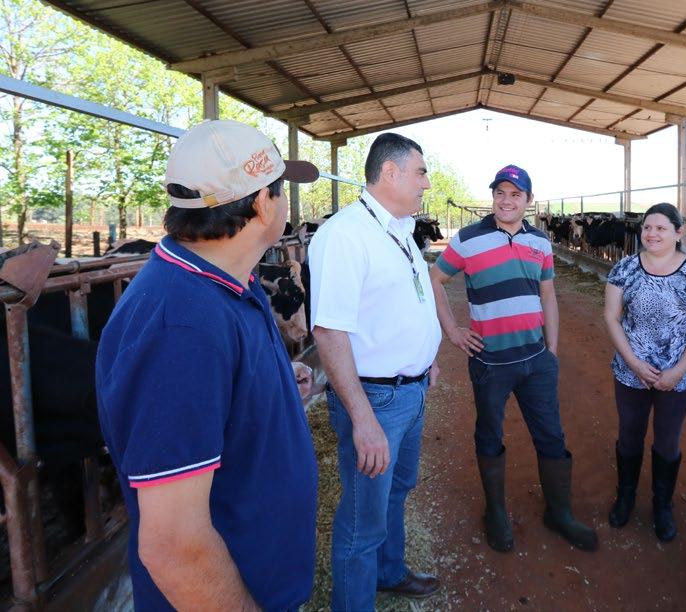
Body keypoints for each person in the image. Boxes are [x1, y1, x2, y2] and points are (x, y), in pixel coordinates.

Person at [95, 119, 320, 610]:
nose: (285, 203)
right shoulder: (180, 326)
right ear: (263, 203)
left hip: (263, 576)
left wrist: (278, 384)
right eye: (281, 190)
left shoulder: (231, 282)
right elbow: (173, 545)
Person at [430, 164, 598, 553]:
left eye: (515, 194)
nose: (506, 200)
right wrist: (452, 331)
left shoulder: (540, 242)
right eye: (500, 193)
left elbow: (549, 294)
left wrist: (551, 351)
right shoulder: (468, 240)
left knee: (552, 435)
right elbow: (435, 279)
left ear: (528, 200)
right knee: (490, 433)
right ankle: (496, 513)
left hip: (536, 358)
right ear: (493, 197)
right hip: (490, 361)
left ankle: (559, 512)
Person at [308, 132, 442, 611]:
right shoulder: (345, 234)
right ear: (390, 173)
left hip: (411, 389)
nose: (427, 183)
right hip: (375, 401)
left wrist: (427, 355)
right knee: (362, 520)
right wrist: (362, 419)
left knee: (397, 489)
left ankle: (389, 572)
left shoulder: (400, 228)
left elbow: (406, 299)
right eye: (421, 171)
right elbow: (328, 333)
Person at [603, 203, 686, 541]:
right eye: (647, 228)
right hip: (630, 369)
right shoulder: (625, 268)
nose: (651, 234)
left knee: (667, 440)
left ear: (678, 233)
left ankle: (662, 505)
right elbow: (611, 316)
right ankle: (625, 496)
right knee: (629, 434)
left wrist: (678, 371)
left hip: (678, 375)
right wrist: (634, 363)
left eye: (661, 228)